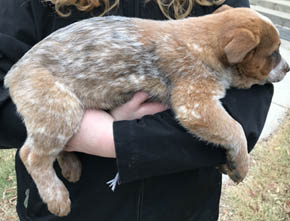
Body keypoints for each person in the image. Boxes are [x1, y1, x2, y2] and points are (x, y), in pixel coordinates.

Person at [0, 0, 274, 220]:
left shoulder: (227, 21)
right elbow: (11, 85)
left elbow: (250, 94)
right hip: (83, 207)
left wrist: (120, 139)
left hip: (182, 204)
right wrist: (80, 132)